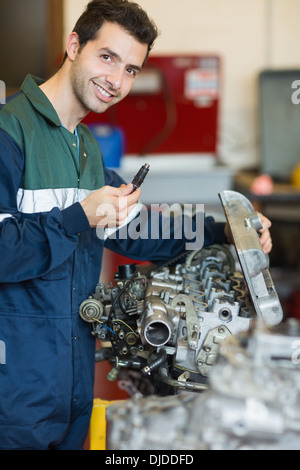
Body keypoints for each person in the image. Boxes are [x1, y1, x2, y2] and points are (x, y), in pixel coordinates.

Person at [0, 0, 272, 450]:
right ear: (74, 46)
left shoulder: (84, 148)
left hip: (71, 385)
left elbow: (139, 228)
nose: (116, 80)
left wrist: (223, 231)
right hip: (15, 389)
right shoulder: (9, 133)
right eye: (106, 57)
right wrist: (77, 218)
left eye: (131, 69)